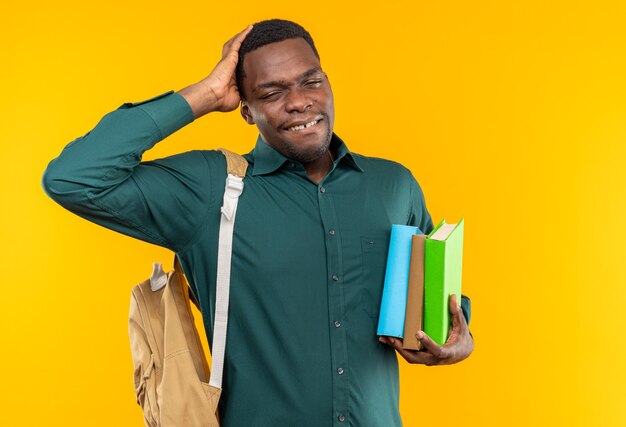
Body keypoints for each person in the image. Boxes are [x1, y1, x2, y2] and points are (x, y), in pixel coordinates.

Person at [42, 19, 473, 427]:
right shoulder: (210, 191)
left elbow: (437, 295)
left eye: (312, 80)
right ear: (245, 110)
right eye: (272, 92)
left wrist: (457, 339)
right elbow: (72, 178)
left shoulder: (393, 185)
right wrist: (207, 94)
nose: (300, 101)